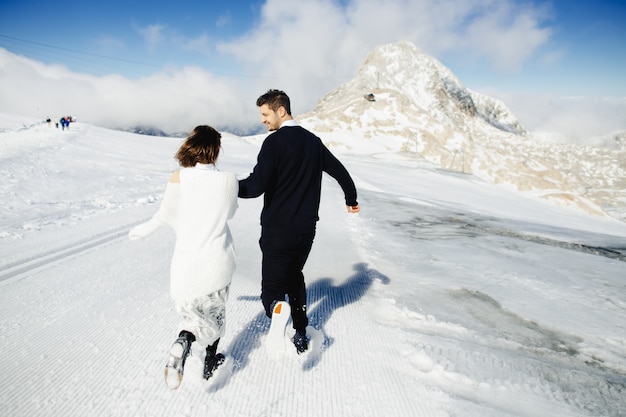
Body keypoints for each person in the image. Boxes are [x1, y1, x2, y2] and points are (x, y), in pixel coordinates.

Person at [238, 89, 360, 355]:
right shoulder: (313, 142)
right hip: (305, 230)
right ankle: (301, 331)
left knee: (272, 289)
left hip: (277, 230)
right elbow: (341, 172)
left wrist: (224, 187)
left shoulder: (273, 143)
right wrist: (351, 199)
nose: (263, 120)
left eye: (265, 114)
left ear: (281, 110)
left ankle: (277, 313)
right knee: (294, 276)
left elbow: (256, 186)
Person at [129, 125, 238, 389]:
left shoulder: (179, 178)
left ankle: (184, 340)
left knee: (192, 317)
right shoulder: (229, 180)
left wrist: (141, 231)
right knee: (214, 318)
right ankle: (210, 362)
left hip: (184, 268)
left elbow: (164, 216)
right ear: (216, 149)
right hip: (216, 265)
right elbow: (231, 213)